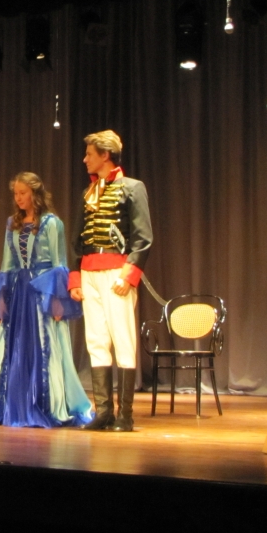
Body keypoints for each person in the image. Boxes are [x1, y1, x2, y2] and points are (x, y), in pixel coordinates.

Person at [0, 173, 93, 428]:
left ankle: (46, 404)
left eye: (23, 193)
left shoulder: (51, 223)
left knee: (44, 346)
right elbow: (8, 263)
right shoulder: (12, 223)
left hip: (42, 291)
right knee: (15, 348)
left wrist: (57, 300)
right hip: (19, 292)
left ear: (35, 193)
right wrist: (3, 298)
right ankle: (14, 404)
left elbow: (58, 263)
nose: (18, 198)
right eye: (16, 193)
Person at [69, 130, 153, 432]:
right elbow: (78, 239)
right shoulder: (89, 192)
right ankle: (103, 411)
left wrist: (129, 276)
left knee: (123, 339)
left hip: (117, 272)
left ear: (105, 155)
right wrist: (75, 278)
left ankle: (125, 415)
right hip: (90, 272)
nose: (85, 159)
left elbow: (143, 238)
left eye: (89, 154)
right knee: (96, 340)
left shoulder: (132, 187)